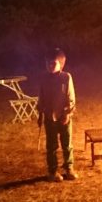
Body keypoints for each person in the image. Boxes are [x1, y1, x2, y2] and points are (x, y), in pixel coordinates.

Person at [37, 48, 78, 182]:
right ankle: (52, 171)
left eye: (53, 63)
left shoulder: (66, 77)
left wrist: (67, 113)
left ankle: (69, 168)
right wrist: (40, 113)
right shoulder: (43, 78)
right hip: (50, 117)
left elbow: (71, 97)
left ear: (61, 63)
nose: (50, 66)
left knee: (67, 144)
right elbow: (41, 97)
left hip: (64, 117)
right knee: (51, 146)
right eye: (48, 63)